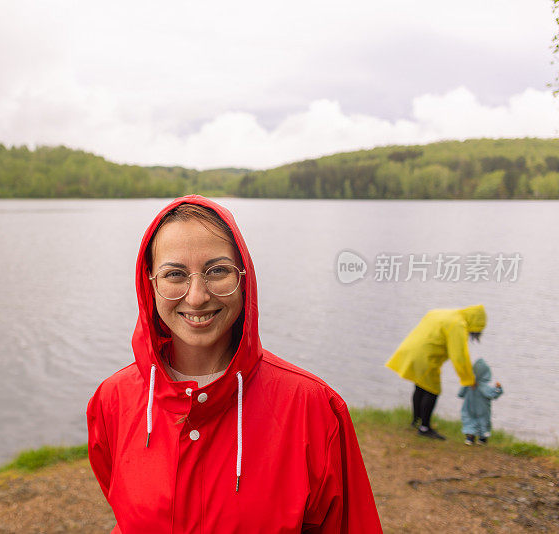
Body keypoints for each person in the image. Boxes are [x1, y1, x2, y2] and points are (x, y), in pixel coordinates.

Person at [87, 195, 381, 532]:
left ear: (244, 278)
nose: (197, 296)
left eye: (218, 271)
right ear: (149, 283)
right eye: (174, 274)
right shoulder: (113, 401)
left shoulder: (312, 408)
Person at [385, 305, 487, 440]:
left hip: (411, 350)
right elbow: (459, 357)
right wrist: (469, 379)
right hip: (426, 357)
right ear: (475, 323)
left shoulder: (441, 313)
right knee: (433, 390)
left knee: (420, 386)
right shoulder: (458, 324)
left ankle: (416, 422)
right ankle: (424, 428)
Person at [458, 358, 503, 445]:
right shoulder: (485, 387)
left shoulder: (468, 385)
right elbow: (494, 394)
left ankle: (470, 437)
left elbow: (460, 394)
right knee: (483, 422)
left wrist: (465, 383)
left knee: (469, 421)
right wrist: (499, 389)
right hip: (483, 410)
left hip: (468, 408)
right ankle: (482, 438)